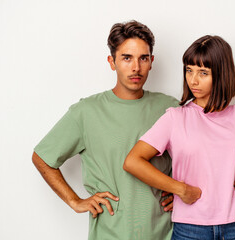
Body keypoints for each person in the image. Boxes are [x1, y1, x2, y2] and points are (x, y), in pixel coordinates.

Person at [123, 35, 235, 240]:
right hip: (190, 228)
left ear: (221, 75)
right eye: (189, 70)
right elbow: (133, 161)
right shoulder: (175, 118)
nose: (193, 80)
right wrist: (180, 189)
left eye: (203, 72)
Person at [32, 20, 178, 240]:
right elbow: (42, 157)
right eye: (126, 58)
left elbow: (200, 158)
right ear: (112, 62)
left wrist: (181, 193)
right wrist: (75, 201)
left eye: (143, 58)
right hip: (110, 233)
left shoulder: (171, 109)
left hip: (163, 233)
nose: (136, 67)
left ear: (151, 62)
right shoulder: (86, 112)